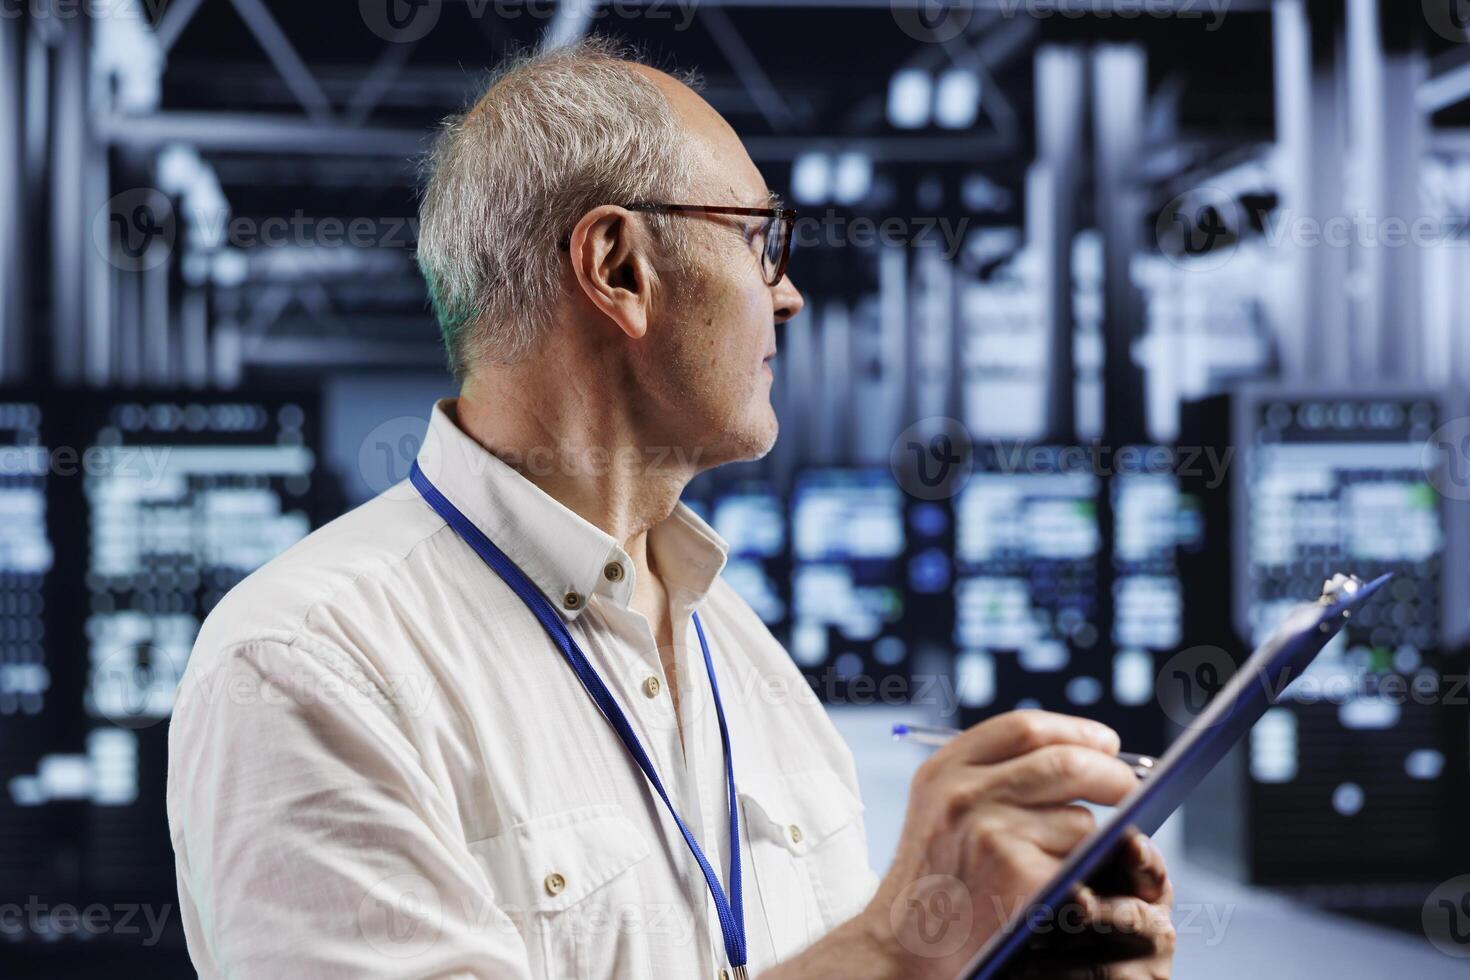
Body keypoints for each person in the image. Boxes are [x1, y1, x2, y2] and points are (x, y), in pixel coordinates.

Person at [166, 37, 1175, 980]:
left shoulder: (737, 648)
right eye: (758, 237)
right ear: (618, 268)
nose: (789, 296)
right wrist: (893, 952)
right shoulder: (310, 661)